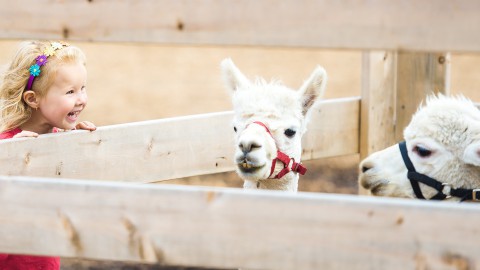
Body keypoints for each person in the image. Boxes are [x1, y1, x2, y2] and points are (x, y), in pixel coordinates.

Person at [0, 40, 97, 269]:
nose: (81, 98)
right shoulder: (8, 142)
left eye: (82, 88)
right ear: (33, 99)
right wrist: (10, 158)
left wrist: (78, 148)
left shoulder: (58, 138)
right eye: (70, 92)